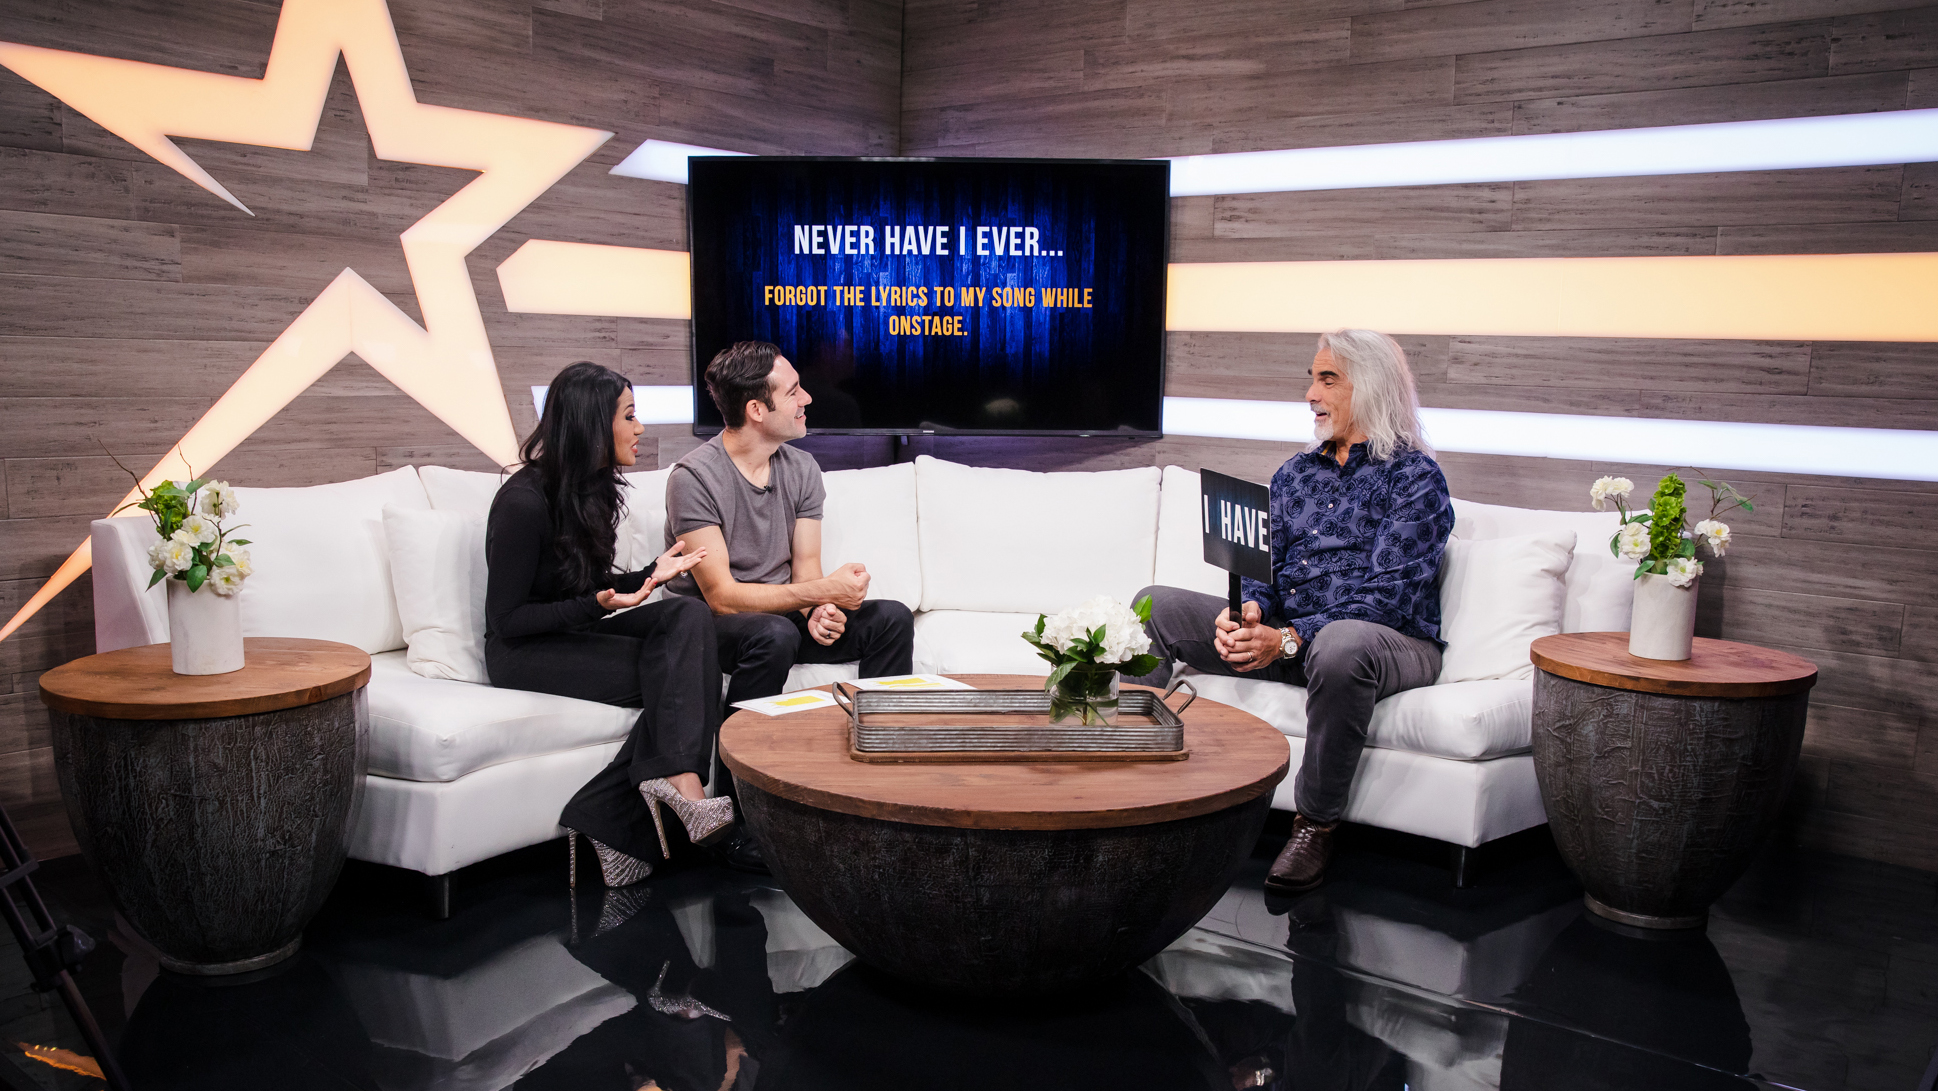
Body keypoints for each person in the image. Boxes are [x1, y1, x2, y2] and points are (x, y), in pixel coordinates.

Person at [1129, 329, 1454, 894]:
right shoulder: (1295, 474)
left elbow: (1386, 598)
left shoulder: (1415, 479)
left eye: (1327, 379)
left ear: (1370, 386)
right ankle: (1132, 777)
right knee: (1155, 605)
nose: (1310, 394)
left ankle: (1315, 826)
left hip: (1384, 643)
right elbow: (1266, 568)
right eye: (1312, 379)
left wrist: (1286, 639)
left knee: (1341, 644)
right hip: (1296, 640)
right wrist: (1251, 612)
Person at [485, 361, 735, 889]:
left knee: (687, 615)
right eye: (629, 415)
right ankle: (678, 790)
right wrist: (596, 606)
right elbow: (507, 621)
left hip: (575, 633)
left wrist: (649, 577)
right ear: (591, 424)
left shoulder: (592, 487)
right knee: (683, 674)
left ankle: (609, 811)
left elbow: (585, 586)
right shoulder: (522, 503)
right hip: (523, 652)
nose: (640, 427)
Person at [664, 340, 915, 708]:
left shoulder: (802, 467)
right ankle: (736, 744)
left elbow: (806, 569)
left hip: (782, 617)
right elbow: (721, 598)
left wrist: (818, 612)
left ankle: (878, 733)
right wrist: (824, 591)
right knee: (775, 633)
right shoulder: (693, 478)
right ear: (756, 410)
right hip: (712, 625)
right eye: (793, 391)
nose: (807, 399)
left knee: (892, 618)